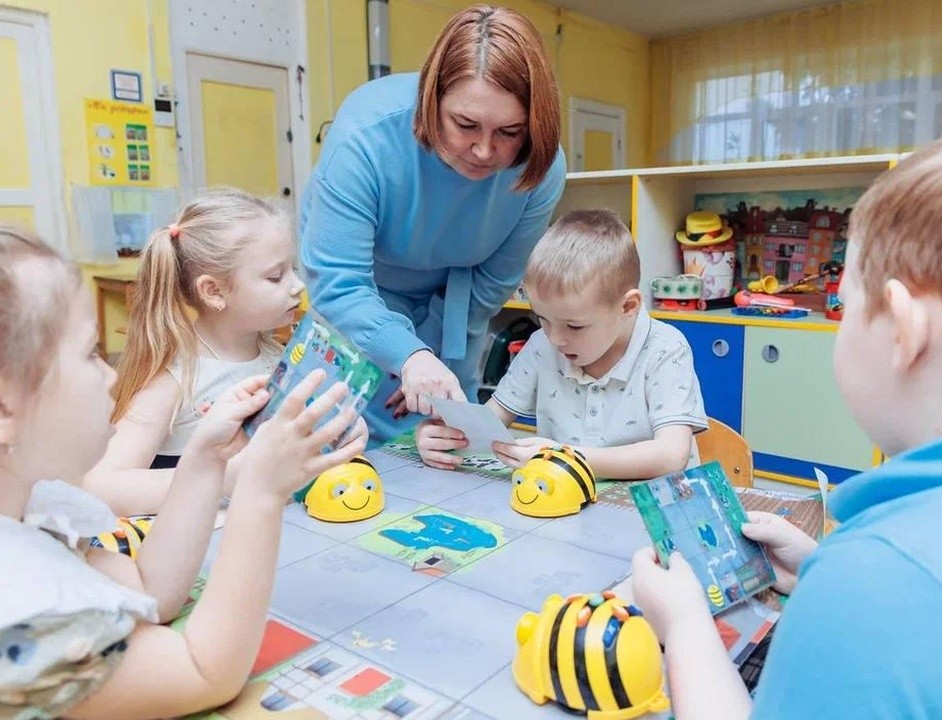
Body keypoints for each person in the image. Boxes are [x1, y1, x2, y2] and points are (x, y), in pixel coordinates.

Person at [631, 133, 942, 718]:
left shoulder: (868, 582)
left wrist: (683, 625)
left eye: (845, 302)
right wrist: (814, 567)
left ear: (904, 330)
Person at [0, 228, 365, 717]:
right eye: (90, 354)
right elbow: (204, 673)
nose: (111, 374)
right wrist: (260, 489)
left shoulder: (33, 508)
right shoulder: (26, 619)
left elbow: (149, 590)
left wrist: (206, 459)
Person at [300, 4, 566, 443]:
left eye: (510, 131)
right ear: (431, 100)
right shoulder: (364, 137)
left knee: (438, 455)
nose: (484, 150)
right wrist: (406, 355)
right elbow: (337, 283)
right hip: (354, 313)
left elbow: (494, 281)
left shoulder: (541, 167)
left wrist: (431, 355)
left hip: (456, 314)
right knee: (337, 461)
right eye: (465, 124)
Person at [84, 188, 367, 516]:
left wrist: (336, 434)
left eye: (293, 270)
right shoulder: (177, 377)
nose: (297, 286)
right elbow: (99, 487)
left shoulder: (280, 360)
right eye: (275, 277)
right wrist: (222, 477)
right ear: (213, 291)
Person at [416, 209, 708, 479]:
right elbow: (491, 421)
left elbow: (671, 456)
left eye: (574, 326)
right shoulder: (542, 344)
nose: (555, 338)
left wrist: (563, 457)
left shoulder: (665, 349)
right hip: (567, 505)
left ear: (628, 307)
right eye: (543, 319)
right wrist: (445, 437)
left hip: (655, 512)